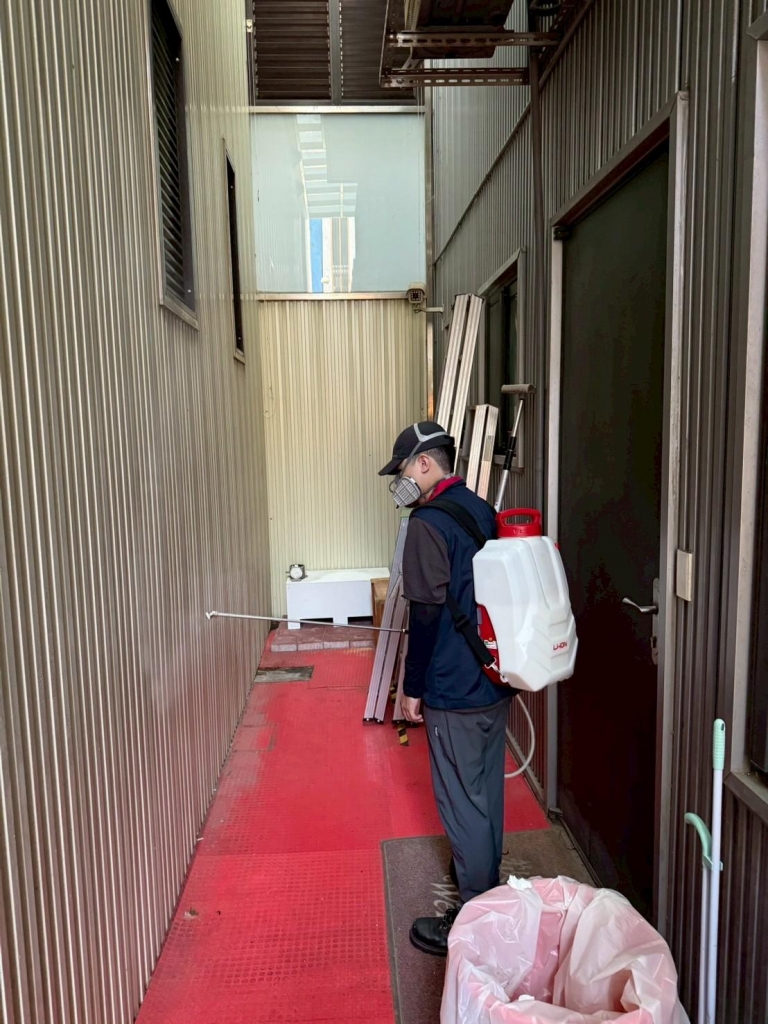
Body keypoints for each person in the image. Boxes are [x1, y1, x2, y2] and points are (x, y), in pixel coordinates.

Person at [379, 422, 512, 957]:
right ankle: (487, 885)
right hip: (493, 676)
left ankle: (476, 919)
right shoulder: (481, 509)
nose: (401, 482)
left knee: (461, 803)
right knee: (486, 793)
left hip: (454, 688)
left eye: (403, 470)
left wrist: (410, 688)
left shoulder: (426, 524)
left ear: (425, 463)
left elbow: (427, 614)